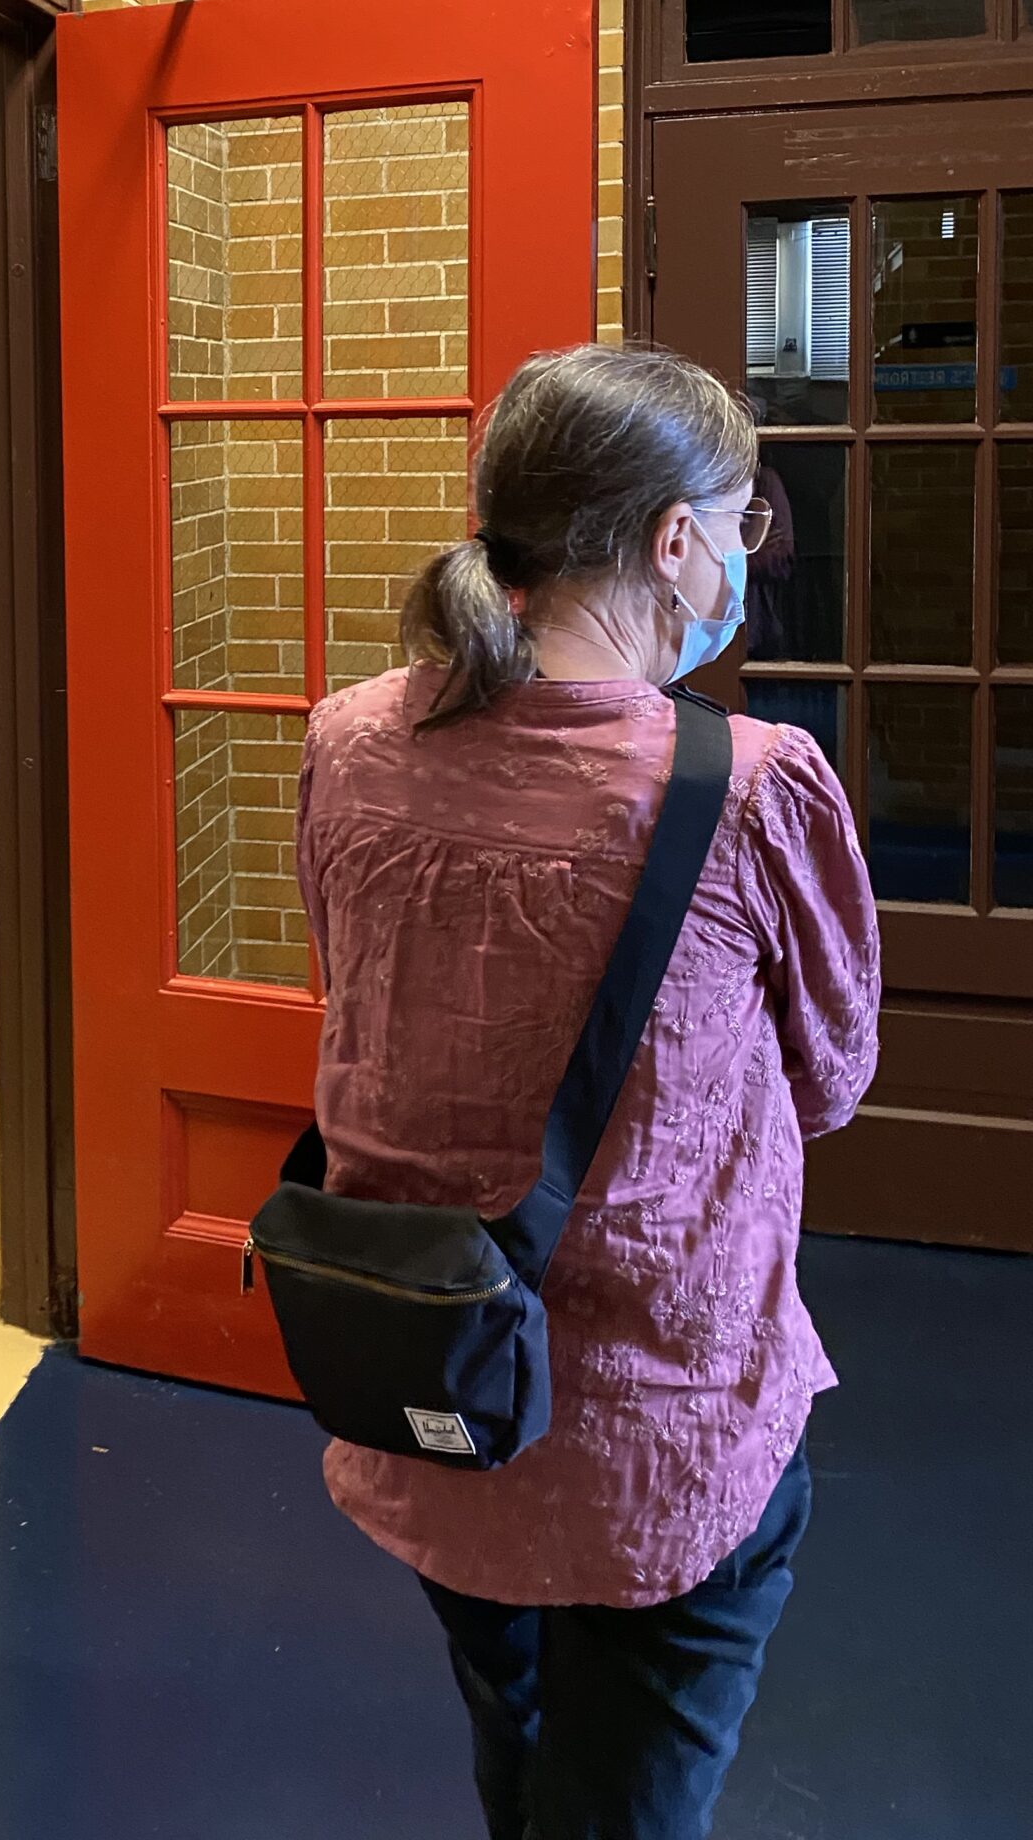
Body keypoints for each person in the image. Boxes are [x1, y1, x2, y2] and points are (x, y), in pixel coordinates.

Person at [295, 344, 880, 1840]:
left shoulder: (351, 739)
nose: (746, 561)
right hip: (661, 1443)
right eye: (741, 524)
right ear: (673, 541)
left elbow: (360, 994)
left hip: (436, 1388)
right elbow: (832, 1077)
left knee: (520, 1736)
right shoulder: (749, 787)